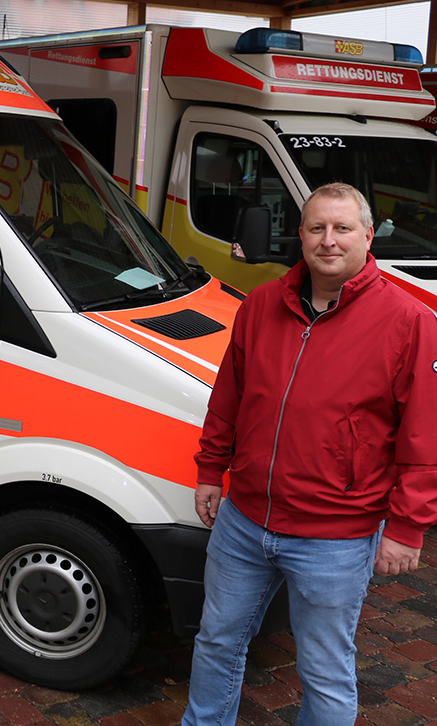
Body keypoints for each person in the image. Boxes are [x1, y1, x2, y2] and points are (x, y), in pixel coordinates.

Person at [181, 182, 437, 726]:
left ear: (368, 236)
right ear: (299, 235)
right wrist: (211, 469)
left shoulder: (410, 322)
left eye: (342, 229)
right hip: (245, 520)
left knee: (324, 670)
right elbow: (229, 396)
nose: (328, 241)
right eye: (316, 228)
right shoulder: (261, 305)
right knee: (216, 642)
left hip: (335, 536)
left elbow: (424, 435)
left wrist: (407, 526)